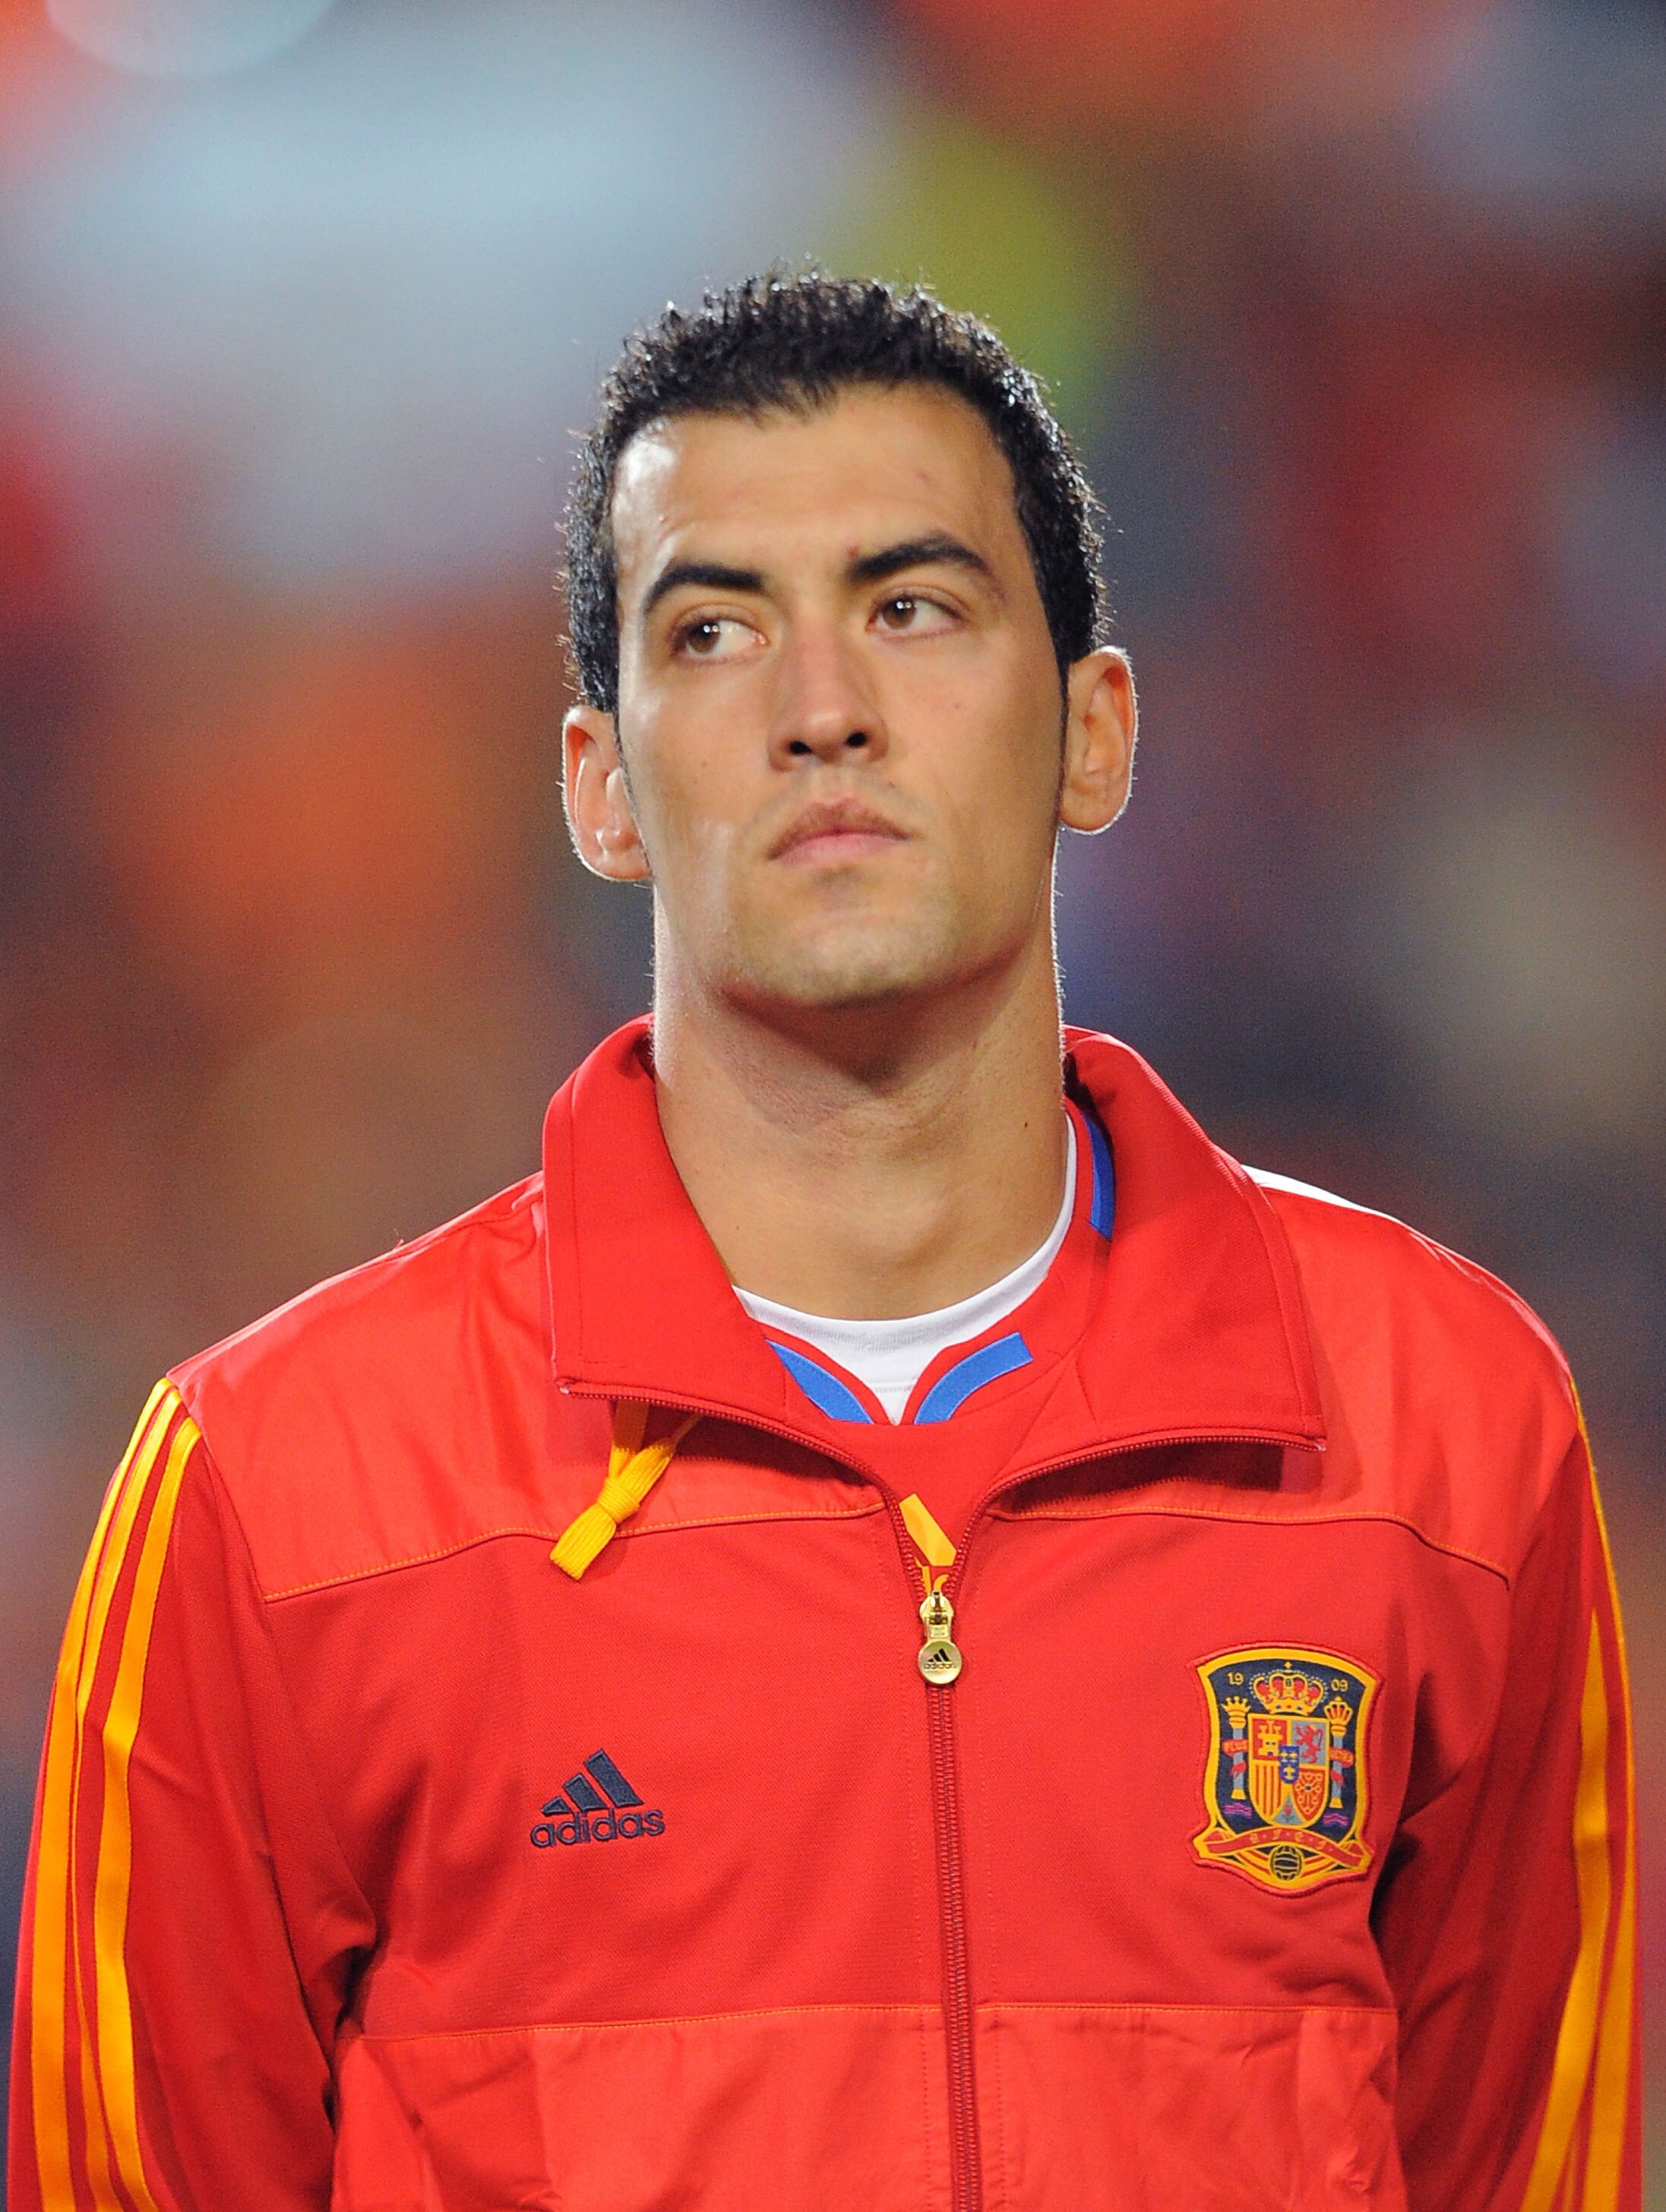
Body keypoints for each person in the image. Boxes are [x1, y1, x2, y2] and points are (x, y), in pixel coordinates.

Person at [9, 274, 1637, 2212]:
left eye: (914, 607)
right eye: (711, 631)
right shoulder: (279, 1492)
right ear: (598, 789)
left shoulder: (1438, 1428)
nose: (821, 711)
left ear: (1093, 735)